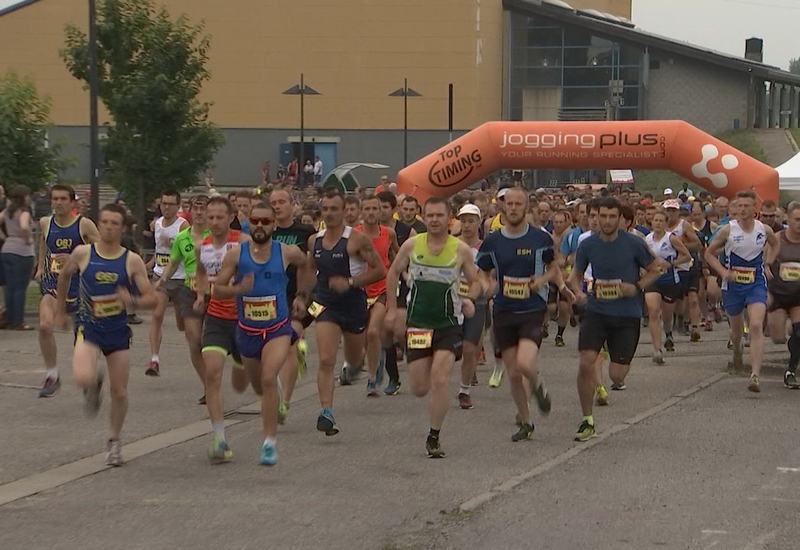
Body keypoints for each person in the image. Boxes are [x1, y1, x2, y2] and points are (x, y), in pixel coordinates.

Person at [55, 204, 157, 466]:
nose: (109, 227)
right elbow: (64, 277)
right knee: (83, 376)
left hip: (117, 331)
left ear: (122, 228)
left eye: (115, 223)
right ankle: (92, 385)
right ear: (99, 224)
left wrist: (131, 300)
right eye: (105, 222)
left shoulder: (131, 260)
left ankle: (114, 440)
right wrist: (61, 309)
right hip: (87, 327)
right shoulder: (82, 253)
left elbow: (152, 299)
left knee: (120, 392)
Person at [212, 202, 310, 465]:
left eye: (265, 222)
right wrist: (237, 289)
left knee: (268, 379)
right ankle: (273, 395)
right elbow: (217, 290)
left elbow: (306, 265)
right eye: (255, 220)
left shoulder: (287, 252)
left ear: (274, 225)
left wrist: (301, 295)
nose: (259, 226)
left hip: (278, 328)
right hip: (247, 331)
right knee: (259, 387)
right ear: (249, 223)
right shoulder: (236, 255)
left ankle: (269, 443)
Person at [386, 197, 480, 458]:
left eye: (440, 215)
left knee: (440, 379)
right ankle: (423, 381)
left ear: (448, 217)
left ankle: (434, 435)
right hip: (418, 323)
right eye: (430, 215)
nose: (435, 220)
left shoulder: (460, 249)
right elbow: (393, 274)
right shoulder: (412, 245)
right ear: (424, 217)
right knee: (418, 388)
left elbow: (475, 281)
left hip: (448, 324)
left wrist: (470, 299)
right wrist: (392, 310)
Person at [477, 187, 568, 440]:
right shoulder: (493, 241)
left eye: (519, 204)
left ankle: (538, 385)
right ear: (503, 207)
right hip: (504, 310)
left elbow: (554, 267)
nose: (514, 208)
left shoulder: (540, 238)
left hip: (531, 309)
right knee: (514, 374)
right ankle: (526, 422)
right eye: (510, 204)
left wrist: (544, 282)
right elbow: (483, 272)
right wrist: (486, 285)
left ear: (526, 208)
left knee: (525, 363)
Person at [569, 197, 662, 441]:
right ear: (595, 218)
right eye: (603, 216)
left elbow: (656, 269)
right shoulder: (588, 245)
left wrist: (637, 286)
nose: (608, 221)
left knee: (617, 376)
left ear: (620, 219)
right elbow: (575, 276)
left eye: (613, 217)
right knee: (586, 362)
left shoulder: (633, 243)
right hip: (596, 311)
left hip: (626, 314)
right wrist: (578, 294)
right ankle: (587, 420)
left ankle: (611, 352)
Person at [306, 190, 386, 435]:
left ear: (344, 212)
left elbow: (380, 271)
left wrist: (350, 282)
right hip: (326, 305)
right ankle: (326, 412)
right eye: (325, 209)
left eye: (334, 209)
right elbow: (311, 271)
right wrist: (302, 297)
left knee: (353, 360)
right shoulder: (314, 241)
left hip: (353, 306)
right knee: (326, 359)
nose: (329, 214)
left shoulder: (356, 240)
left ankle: (357, 366)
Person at [194, 196, 251, 462]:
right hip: (216, 318)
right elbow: (202, 273)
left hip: (244, 318)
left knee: (245, 379)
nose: (214, 222)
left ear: (231, 217)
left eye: (220, 217)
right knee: (213, 374)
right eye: (210, 217)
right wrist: (200, 294)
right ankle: (219, 438)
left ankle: (243, 362)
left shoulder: (243, 243)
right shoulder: (201, 246)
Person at [705, 191, 777, 391]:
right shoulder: (727, 230)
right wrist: (723, 272)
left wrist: (768, 263)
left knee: (755, 326)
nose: (743, 210)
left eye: (747, 206)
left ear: (755, 209)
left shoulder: (764, 229)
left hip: (756, 284)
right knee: (737, 332)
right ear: (735, 208)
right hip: (733, 286)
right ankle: (737, 352)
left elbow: (775, 243)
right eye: (740, 206)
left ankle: (755, 375)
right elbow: (709, 254)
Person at [34, 185, 99, 397]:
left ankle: (88, 376)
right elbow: (44, 242)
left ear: (72, 203)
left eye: (63, 199)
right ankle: (52, 375)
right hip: (53, 285)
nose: (58, 203)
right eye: (55, 199)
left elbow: (102, 253)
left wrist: (74, 260)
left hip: (80, 288)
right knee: (44, 326)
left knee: (81, 340)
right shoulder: (45, 222)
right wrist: (41, 266)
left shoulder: (84, 225)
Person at [155, 195, 211, 403]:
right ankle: (208, 385)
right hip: (190, 290)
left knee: (213, 342)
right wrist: (162, 279)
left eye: (203, 209)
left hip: (213, 291)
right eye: (195, 209)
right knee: (194, 340)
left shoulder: (215, 235)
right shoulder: (182, 237)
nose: (199, 213)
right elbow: (173, 262)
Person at [269, 189, 317, 423]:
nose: (277, 206)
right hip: (270, 296)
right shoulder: (265, 231)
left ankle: (284, 402)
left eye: (281, 202)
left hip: (296, 295)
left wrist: (303, 295)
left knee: (289, 342)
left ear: (292, 205)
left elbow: (311, 265)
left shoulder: (305, 232)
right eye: (273, 203)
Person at [354, 195, 399, 397]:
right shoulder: (353, 235)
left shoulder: (388, 233)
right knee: (364, 337)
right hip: (360, 290)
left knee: (373, 332)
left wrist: (401, 273)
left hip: (382, 289)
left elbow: (398, 255)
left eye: (375, 208)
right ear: (361, 211)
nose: (371, 212)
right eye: (367, 209)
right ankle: (376, 363)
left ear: (380, 211)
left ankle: (372, 379)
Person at [146, 190, 190, 376]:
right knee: (157, 315)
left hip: (180, 279)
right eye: (164, 203)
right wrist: (147, 266)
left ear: (178, 206)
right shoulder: (156, 224)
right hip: (160, 276)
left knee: (182, 324)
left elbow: (185, 253)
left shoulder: (183, 225)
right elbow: (159, 252)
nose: (166, 207)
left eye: (171, 204)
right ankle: (154, 359)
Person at [644, 211, 691, 364]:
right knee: (653, 311)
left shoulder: (671, 238)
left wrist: (671, 264)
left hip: (669, 279)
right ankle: (657, 349)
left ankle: (668, 332)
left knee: (667, 314)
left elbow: (686, 256)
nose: (657, 223)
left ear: (665, 223)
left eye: (660, 221)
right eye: (655, 220)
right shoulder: (647, 239)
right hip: (652, 280)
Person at [766, 201, 800, 388]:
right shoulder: (778, 238)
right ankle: (789, 333)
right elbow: (765, 263)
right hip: (778, 294)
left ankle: (790, 371)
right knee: (777, 338)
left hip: (798, 295)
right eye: (797, 219)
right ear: (788, 218)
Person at [455, 204, 485, 409]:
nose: (466, 225)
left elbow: (485, 276)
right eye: (463, 221)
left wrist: (472, 297)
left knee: (469, 348)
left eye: (471, 221)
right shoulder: (451, 245)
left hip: (476, 302)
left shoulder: (486, 248)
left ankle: (464, 390)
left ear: (479, 222)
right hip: (453, 301)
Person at [0, 185, 35, 331]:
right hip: (22, 251)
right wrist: (28, 239)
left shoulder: (8, 211)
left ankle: (9, 318)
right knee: (20, 287)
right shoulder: (24, 211)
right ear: (24, 196)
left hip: (7, 248)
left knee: (9, 287)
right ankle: (18, 321)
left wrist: (5, 237)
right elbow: (24, 226)